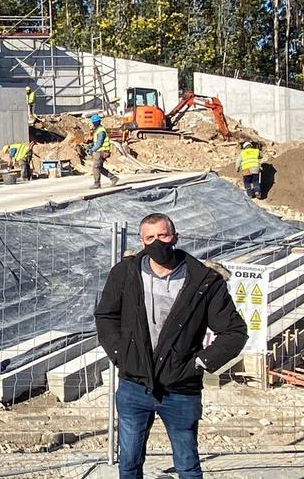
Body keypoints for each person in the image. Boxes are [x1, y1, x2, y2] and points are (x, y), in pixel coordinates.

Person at [94, 213, 248, 479]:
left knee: (187, 464)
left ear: (175, 237)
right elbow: (106, 316)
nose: (157, 243)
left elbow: (234, 331)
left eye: (163, 236)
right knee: (128, 462)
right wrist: (121, 355)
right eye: (150, 238)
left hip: (180, 388)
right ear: (142, 242)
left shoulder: (203, 282)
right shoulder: (125, 273)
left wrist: (199, 363)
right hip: (134, 385)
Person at [86, 114, 119, 189]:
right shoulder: (98, 130)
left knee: (96, 167)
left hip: (101, 151)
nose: (94, 124)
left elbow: (99, 143)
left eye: (94, 122)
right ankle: (113, 178)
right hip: (102, 151)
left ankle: (97, 184)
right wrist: (91, 145)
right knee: (99, 167)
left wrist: (92, 150)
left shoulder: (100, 131)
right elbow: (97, 141)